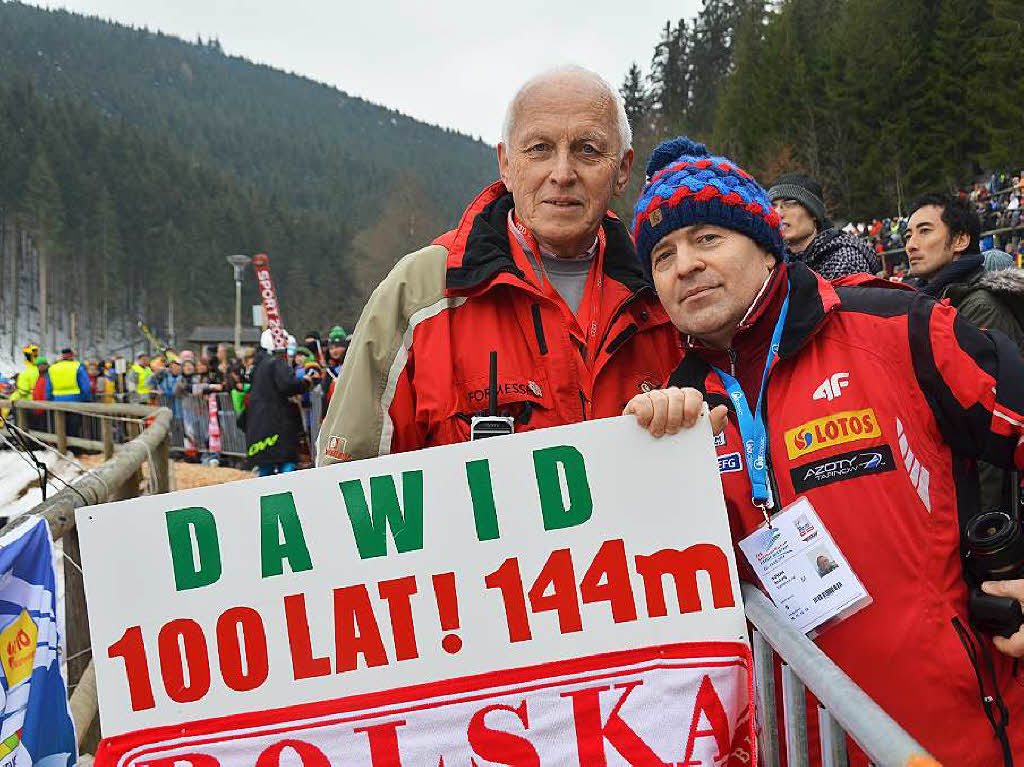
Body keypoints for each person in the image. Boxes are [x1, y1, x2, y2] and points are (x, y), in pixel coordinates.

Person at [626, 136, 1024, 764]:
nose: (684, 266)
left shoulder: (895, 328)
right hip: (795, 745)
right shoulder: (677, 415)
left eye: (707, 239)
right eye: (663, 254)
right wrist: (641, 465)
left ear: (765, 246)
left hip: (949, 739)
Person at [317, 65, 681, 464]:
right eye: (539, 148)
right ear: (506, 163)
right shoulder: (420, 292)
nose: (562, 173)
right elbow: (345, 489)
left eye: (588, 150)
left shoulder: (667, 292)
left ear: (623, 169)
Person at [904, 193, 1024, 514]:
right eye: (908, 234)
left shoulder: (979, 307)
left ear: (960, 240)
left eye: (925, 231)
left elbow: (994, 425)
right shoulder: (933, 304)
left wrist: (985, 524)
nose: (911, 244)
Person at [768, 174, 879, 279]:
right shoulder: (777, 262)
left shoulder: (844, 260)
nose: (778, 214)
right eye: (773, 206)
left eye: (789, 204)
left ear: (814, 213)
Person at [245, 330, 318, 475]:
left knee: (266, 466)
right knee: (286, 462)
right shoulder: (276, 362)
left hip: (261, 422)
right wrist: (305, 382)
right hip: (277, 421)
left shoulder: (259, 365)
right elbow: (287, 385)